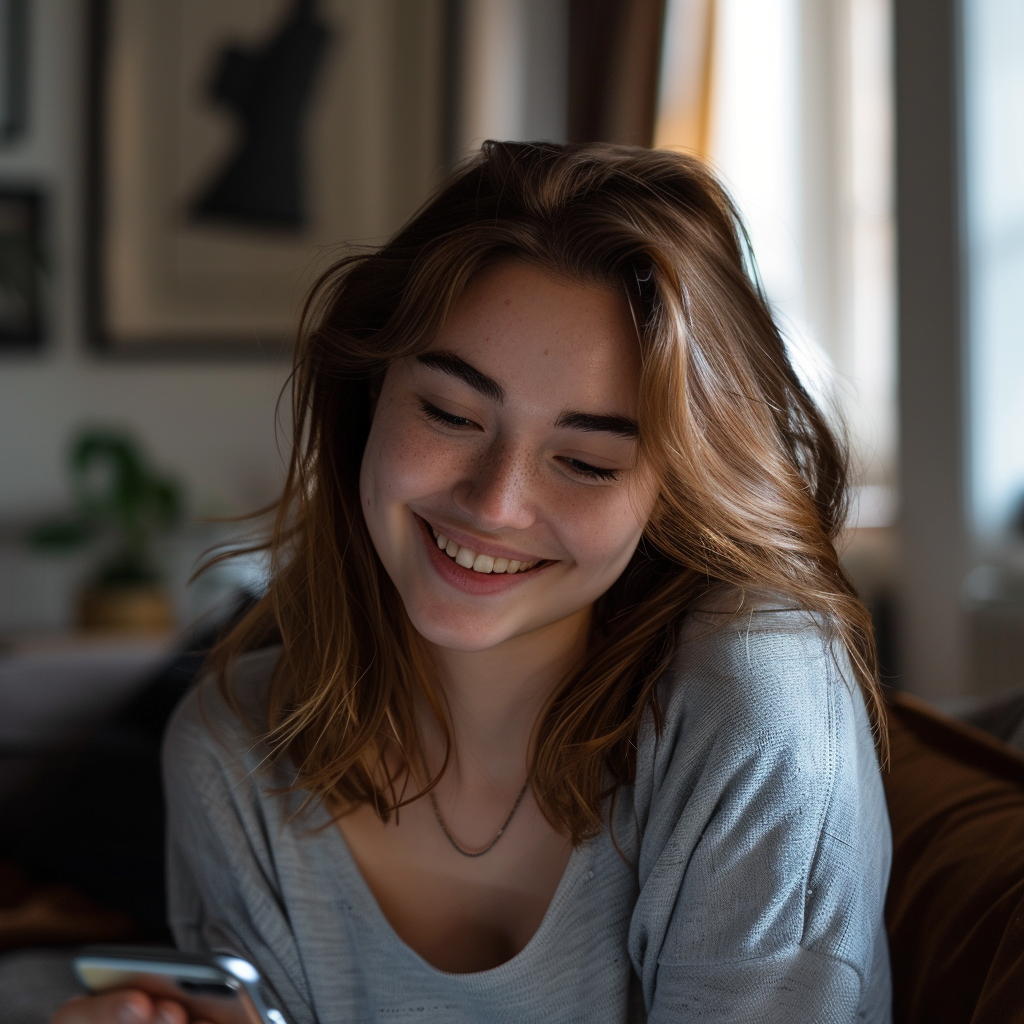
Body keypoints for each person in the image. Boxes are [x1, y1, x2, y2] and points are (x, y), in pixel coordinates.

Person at [54, 141, 892, 1024]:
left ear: (675, 493)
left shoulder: (763, 701)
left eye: (586, 462)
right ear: (367, 395)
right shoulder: (232, 756)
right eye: (450, 415)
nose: (495, 504)